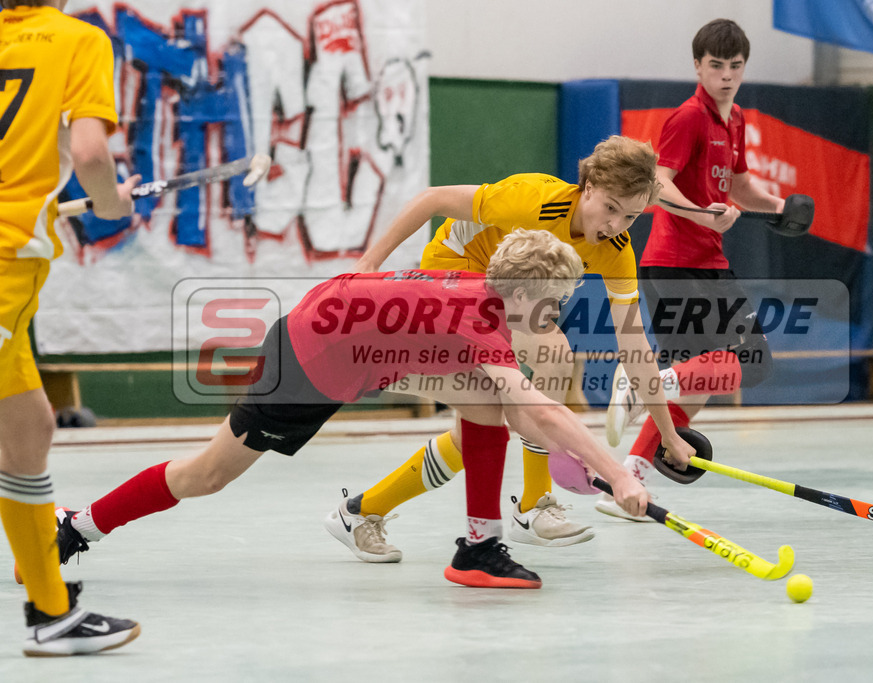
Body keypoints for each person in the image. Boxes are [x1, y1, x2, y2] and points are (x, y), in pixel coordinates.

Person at [39, 231, 663, 590]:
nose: (553, 318)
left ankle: (478, 548)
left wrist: (604, 466)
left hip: (336, 326)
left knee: (485, 401)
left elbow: (530, 414)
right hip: (308, 363)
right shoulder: (481, 319)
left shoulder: (485, 293)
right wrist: (619, 471)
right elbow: (544, 414)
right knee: (206, 474)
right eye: (551, 306)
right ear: (523, 293)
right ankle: (79, 524)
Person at [326, 135, 694, 561]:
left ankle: (360, 512)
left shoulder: (615, 251)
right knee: (550, 356)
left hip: (512, 289)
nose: (615, 224)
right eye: (610, 208)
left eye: (630, 216)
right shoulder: (532, 201)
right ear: (588, 187)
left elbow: (635, 348)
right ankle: (533, 507)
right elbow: (431, 199)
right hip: (455, 272)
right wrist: (369, 263)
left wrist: (667, 435)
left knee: (478, 434)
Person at [601, 18, 796, 520]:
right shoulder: (687, 118)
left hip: (708, 260)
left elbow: (738, 187)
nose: (726, 76)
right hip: (674, 263)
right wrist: (699, 213)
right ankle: (646, 383)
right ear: (697, 66)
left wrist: (779, 207)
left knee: (703, 382)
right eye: (716, 66)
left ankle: (629, 482)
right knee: (754, 364)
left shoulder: (735, 121)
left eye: (735, 66)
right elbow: (656, 184)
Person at [0, 0, 143, 656]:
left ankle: (51, 611)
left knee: (28, 424)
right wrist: (111, 201)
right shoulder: (76, 40)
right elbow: (88, 148)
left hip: (13, 272)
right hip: (3, 266)